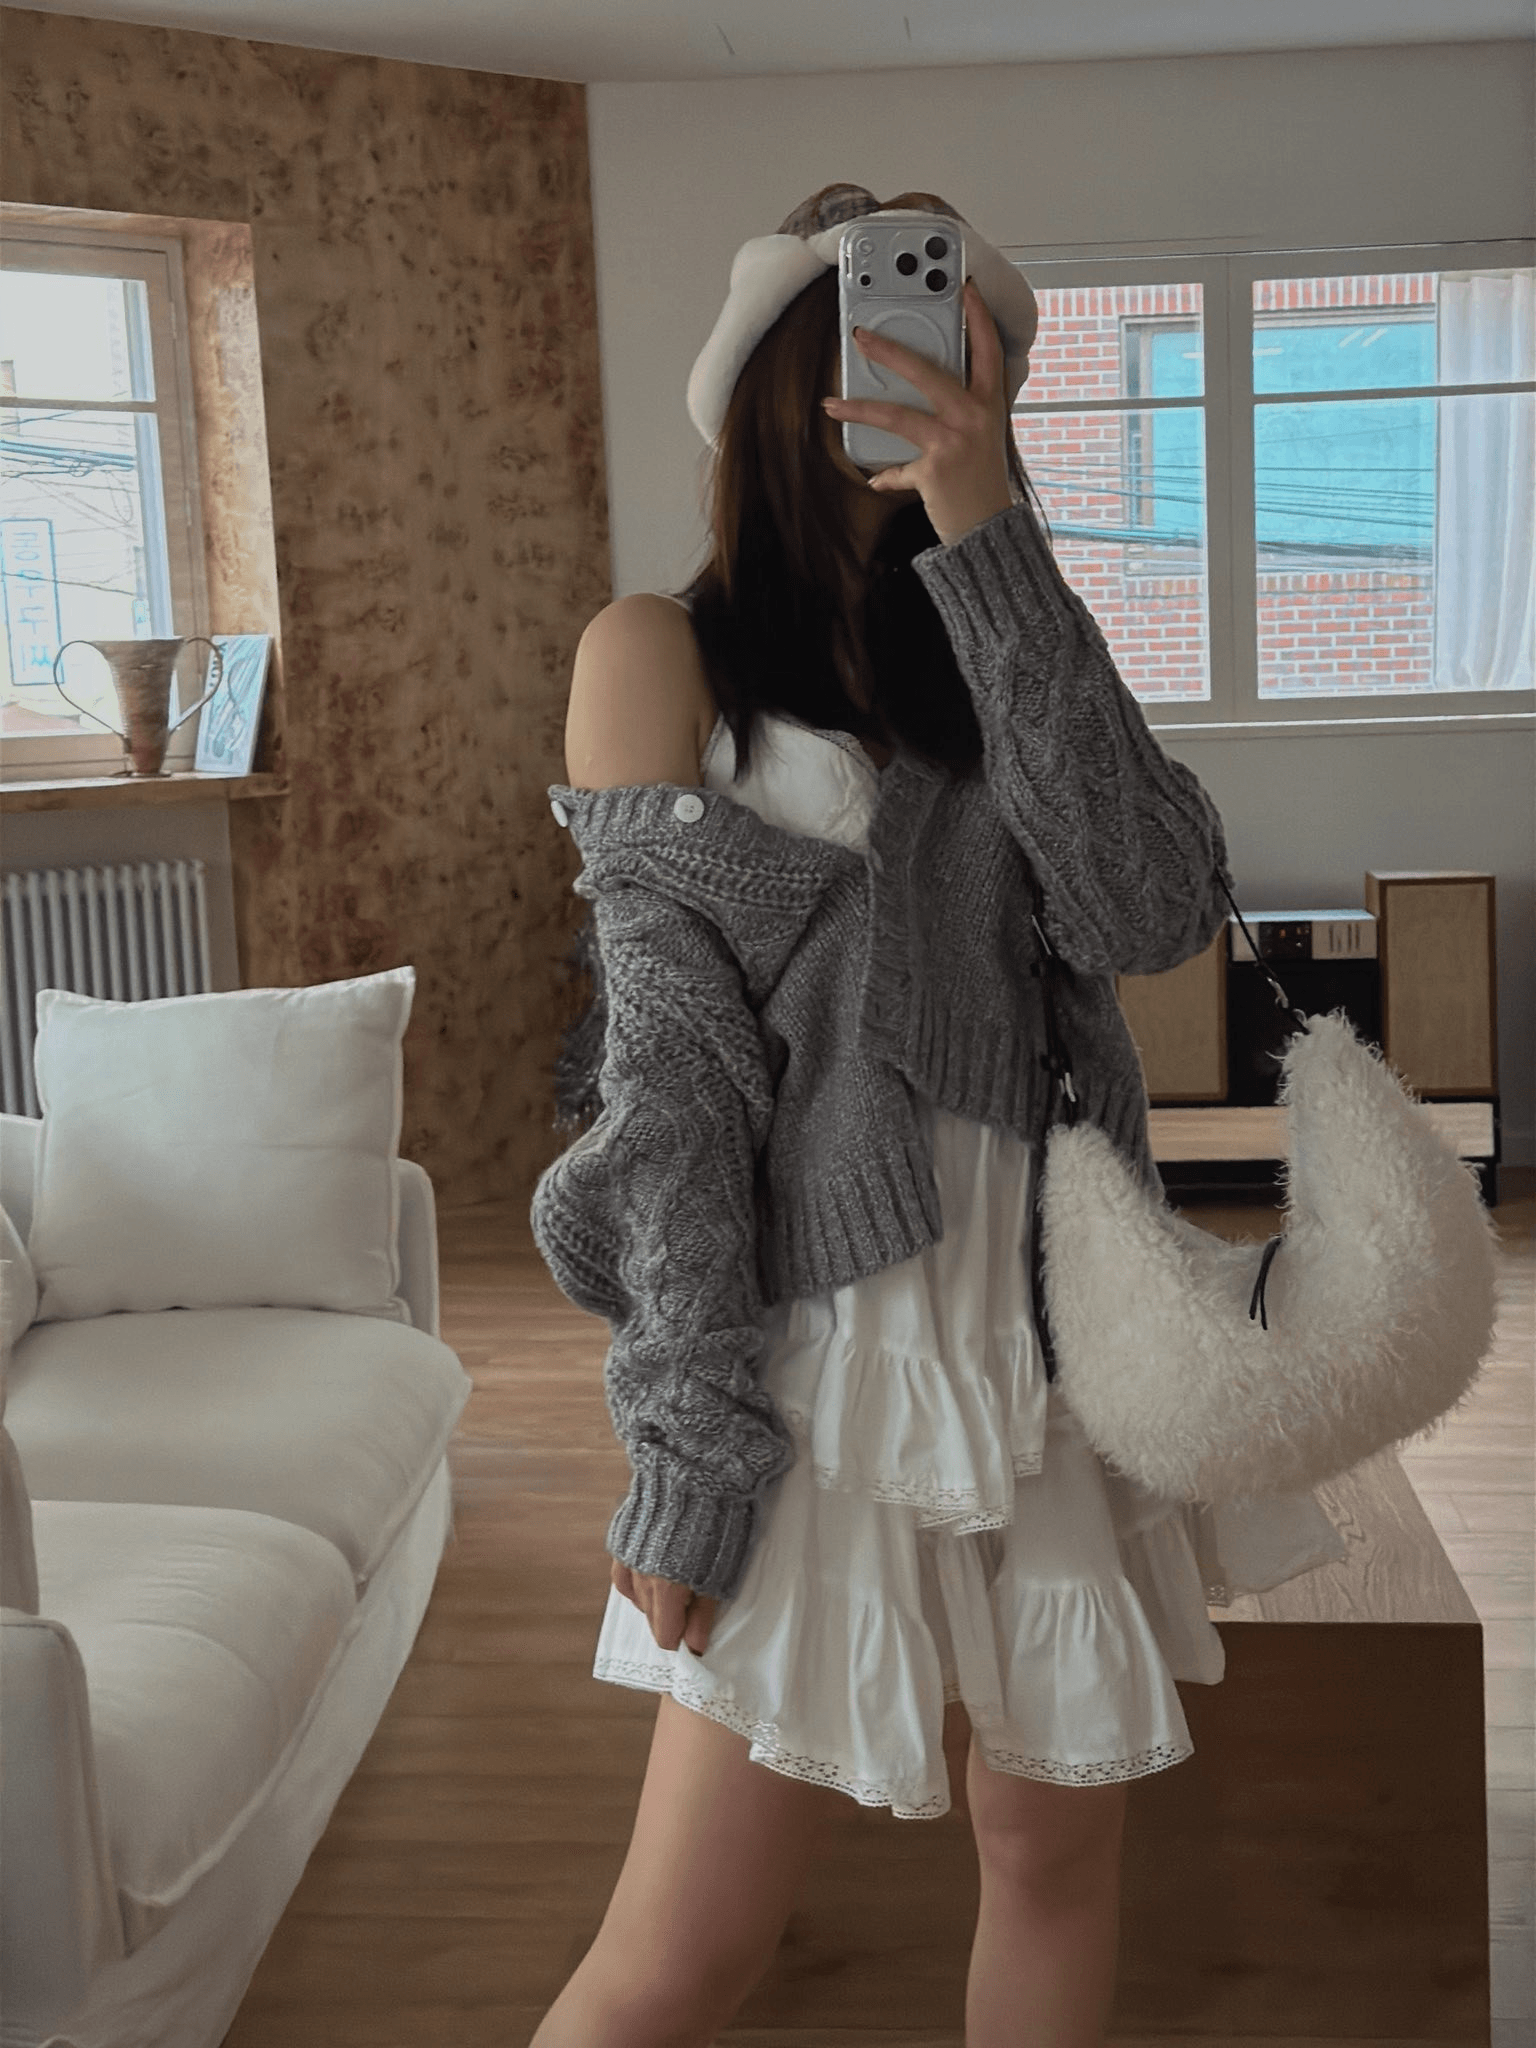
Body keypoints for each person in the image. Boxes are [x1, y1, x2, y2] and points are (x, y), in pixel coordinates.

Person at [528, 184, 1343, 2048]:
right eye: (883, 324)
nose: (928, 371)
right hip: (821, 1358)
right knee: (684, 1950)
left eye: (969, 353)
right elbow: (674, 1087)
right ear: (779, 375)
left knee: (1049, 1856)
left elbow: (1149, 906)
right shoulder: (658, 653)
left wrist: (990, 536)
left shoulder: (1009, 634)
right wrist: (688, 1434)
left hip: (1050, 1337)